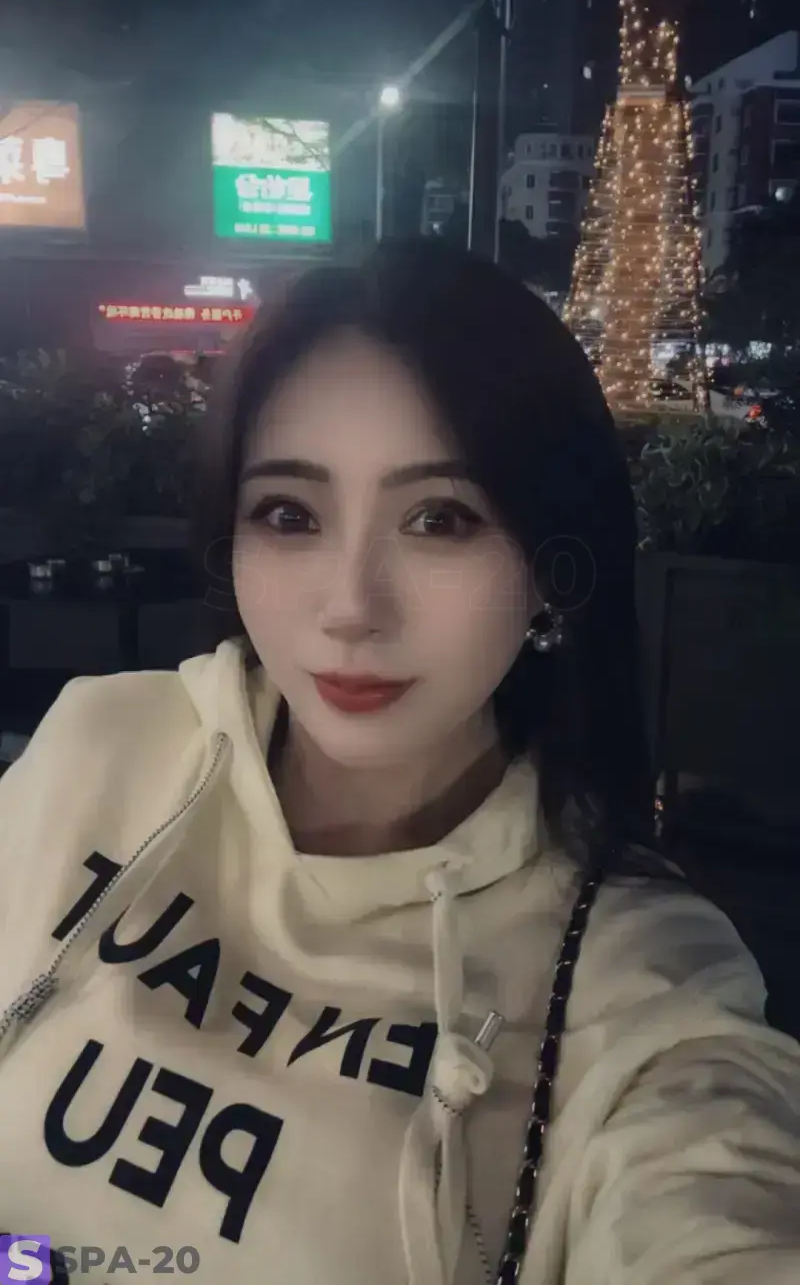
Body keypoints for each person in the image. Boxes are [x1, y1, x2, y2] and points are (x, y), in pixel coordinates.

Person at [0, 240, 798, 1285]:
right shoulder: (105, 745)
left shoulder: (633, 980)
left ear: (551, 568)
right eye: (290, 514)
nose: (349, 608)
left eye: (439, 519)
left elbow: (712, 1206)